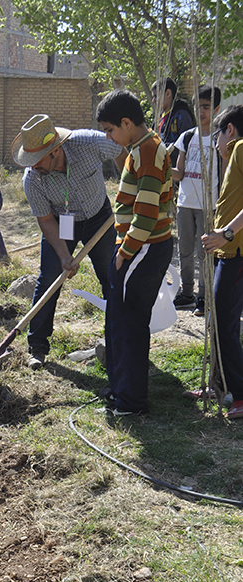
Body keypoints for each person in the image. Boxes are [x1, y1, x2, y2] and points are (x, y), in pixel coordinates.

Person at [11, 113, 127, 370]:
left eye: (37, 160)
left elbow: (121, 149)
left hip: (100, 218)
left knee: (112, 276)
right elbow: (46, 222)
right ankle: (37, 346)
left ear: (55, 151)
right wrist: (64, 256)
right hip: (62, 222)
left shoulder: (89, 144)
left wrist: (127, 185)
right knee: (49, 277)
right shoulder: (33, 179)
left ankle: (119, 342)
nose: (33, 166)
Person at [97, 89, 173, 415]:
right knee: (117, 320)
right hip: (135, 248)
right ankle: (120, 388)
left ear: (127, 123)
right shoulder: (137, 148)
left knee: (130, 323)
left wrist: (124, 252)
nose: (109, 137)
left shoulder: (148, 151)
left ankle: (131, 401)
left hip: (143, 249)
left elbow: (146, 213)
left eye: (111, 130)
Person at [201, 105, 243, 420]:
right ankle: (219, 385)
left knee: (225, 323)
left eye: (217, 133)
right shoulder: (233, 157)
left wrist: (226, 234)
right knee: (219, 320)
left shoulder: (241, 148)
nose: (215, 141)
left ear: (229, 129)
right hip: (227, 252)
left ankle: (239, 394)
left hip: (237, 252)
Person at [172, 85, 221, 316]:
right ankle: (187, 294)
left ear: (216, 109)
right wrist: (162, 166)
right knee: (184, 249)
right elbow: (179, 173)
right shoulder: (187, 136)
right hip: (184, 202)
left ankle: (204, 297)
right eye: (197, 106)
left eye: (206, 107)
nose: (201, 111)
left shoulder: (220, 138)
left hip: (207, 205)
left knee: (204, 252)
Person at [151, 78, 193, 159]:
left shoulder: (182, 115)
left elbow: (185, 144)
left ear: (168, 93)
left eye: (156, 96)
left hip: (173, 168)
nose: (153, 100)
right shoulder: (159, 118)